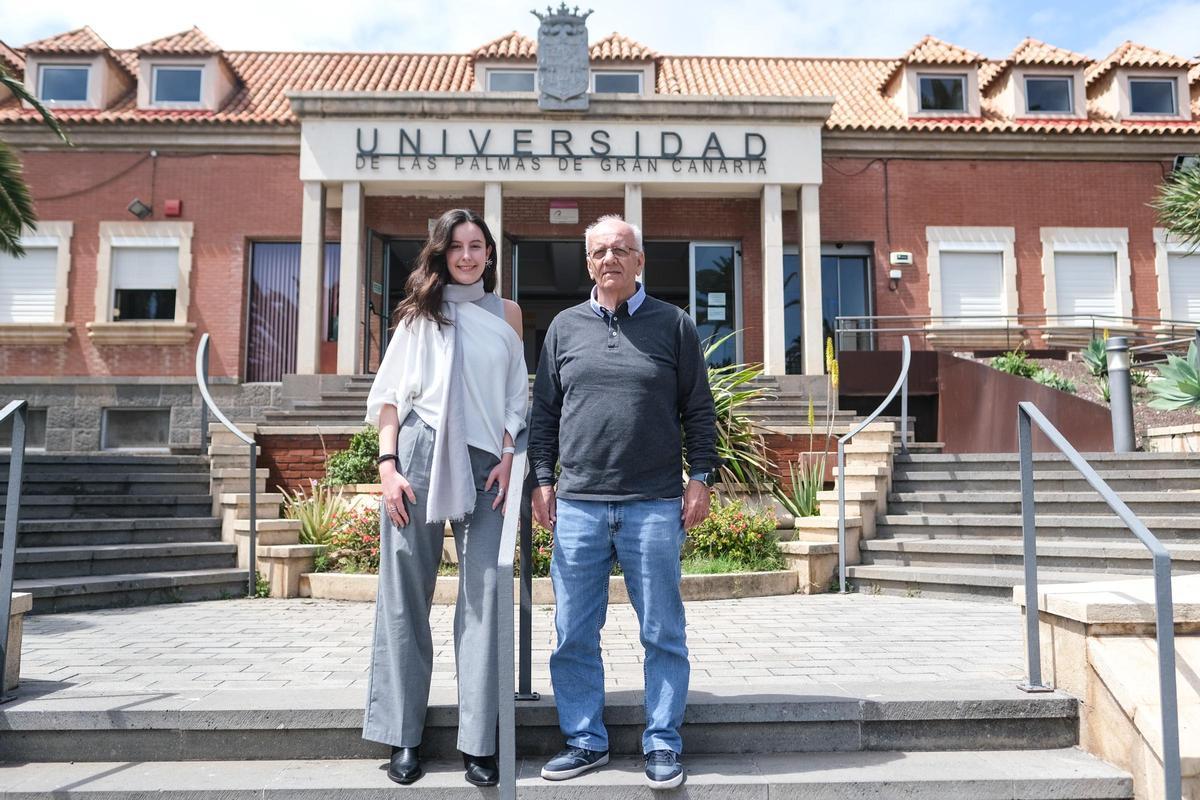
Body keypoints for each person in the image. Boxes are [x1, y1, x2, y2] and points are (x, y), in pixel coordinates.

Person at [529, 214, 719, 790]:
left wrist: (701, 477)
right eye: (599, 252)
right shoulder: (563, 327)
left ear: (640, 261)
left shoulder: (675, 326)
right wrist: (542, 478)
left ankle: (662, 743)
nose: (610, 259)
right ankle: (585, 740)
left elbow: (699, 411)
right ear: (588, 263)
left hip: (654, 504)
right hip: (580, 504)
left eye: (621, 249)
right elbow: (544, 415)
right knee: (572, 632)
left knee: (662, 630)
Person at [362, 208, 527, 787]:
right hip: (418, 456)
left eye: (476, 245)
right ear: (441, 253)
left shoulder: (507, 314)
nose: (466, 256)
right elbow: (388, 399)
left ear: (489, 253)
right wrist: (388, 468)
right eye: (456, 246)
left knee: (484, 597)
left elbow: (516, 393)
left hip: (486, 465)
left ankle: (480, 743)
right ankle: (404, 736)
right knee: (405, 594)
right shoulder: (416, 316)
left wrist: (510, 455)